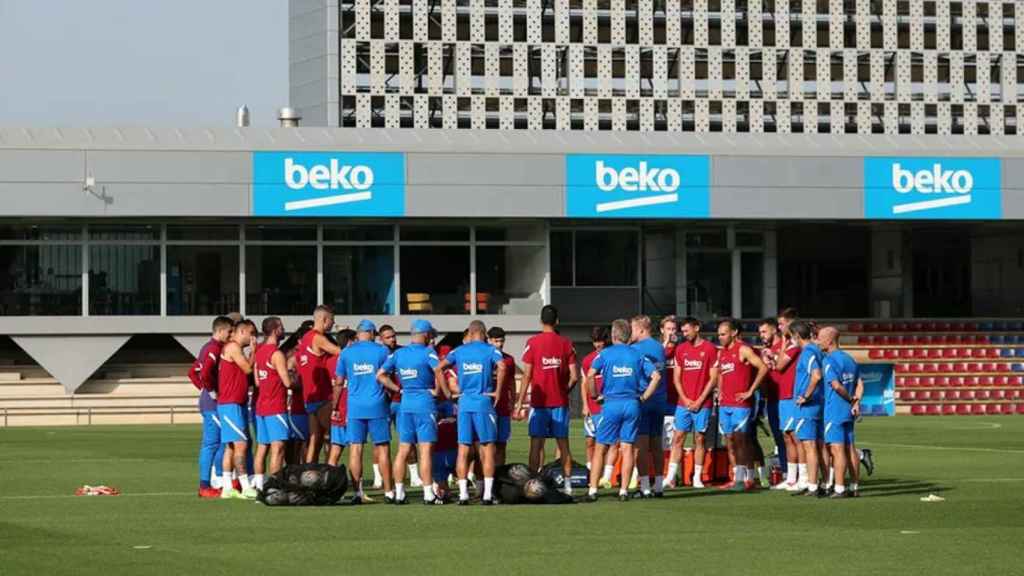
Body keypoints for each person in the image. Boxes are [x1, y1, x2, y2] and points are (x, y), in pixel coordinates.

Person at [583, 319, 660, 503]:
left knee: (601, 447)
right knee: (627, 448)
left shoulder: (605, 354)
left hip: (612, 405)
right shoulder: (638, 354)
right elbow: (656, 376)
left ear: (613, 335)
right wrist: (644, 397)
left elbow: (591, 374)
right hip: (632, 404)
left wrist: (594, 394)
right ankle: (624, 491)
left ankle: (593, 489)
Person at [435, 320, 506, 505]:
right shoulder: (490, 350)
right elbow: (503, 366)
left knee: (463, 449)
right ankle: (488, 495)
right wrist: (498, 391)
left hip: (464, 403)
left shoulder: (459, 351)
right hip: (483, 402)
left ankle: (463, 494)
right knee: (488, 448)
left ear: (471, 333)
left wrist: (448, 392)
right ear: (483, 333)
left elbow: (438, 368)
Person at [515, 305, 578, 495]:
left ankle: (532, 485)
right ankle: (568, 486)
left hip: (539, 403)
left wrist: (519, 402)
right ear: (557, 321)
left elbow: (526, 374)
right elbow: (574, 376)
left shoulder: (532, 342)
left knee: (536, 443)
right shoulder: (566, 343)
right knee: (563, 444)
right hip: (559, 402)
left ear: (541, 321)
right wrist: (563, 391)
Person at [379, 319, 443, 505]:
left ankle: (399, 492)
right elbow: (439, 371)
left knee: (402, 450)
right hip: (424, 404)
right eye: (430, 334)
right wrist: (439, 392)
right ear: (425, 334)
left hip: (405, 405)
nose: (431, 337)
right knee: (425, 450)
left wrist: (397, 389)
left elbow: (380, 375)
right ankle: (428, 493)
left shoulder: (398, 354)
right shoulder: (428, 353)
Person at [337, 320, 393, 504]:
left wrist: (335, 406)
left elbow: (338, 382)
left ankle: (358, 492)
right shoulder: (382, 351)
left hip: (355, 406)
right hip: (377, 405)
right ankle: (388, 491)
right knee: (383, 448)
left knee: (355, 448)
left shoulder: (346, 353)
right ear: (370, 333)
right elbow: (388, 375)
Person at [714, 318, 769, 492]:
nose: (720, 337)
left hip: (741, 403)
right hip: (725, 404)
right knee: (729, 440)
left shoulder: (743, 349)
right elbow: (721, 374)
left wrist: (751, 390)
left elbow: (763, 368)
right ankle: (737, 477)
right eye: (719, 335)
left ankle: (746, 479)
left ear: (734, 332)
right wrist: (720, 392)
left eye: (723, 334)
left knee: (741, 440)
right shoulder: (722, 352)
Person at [666, 316, 718, 489]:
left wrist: (700, 400)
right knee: (678, 438)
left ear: (697, 328)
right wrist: (686, 399)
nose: (684, 334)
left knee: (699, 439)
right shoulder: (680, 349)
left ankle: (697, 477)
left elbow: (713, 379)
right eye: (683, 331)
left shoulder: (710, 349)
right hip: (683, 403)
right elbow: (676, 378)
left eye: (687, 330)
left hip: (703, 403)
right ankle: (670, 476)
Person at [191, 315, 233, 498]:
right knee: (214, 444)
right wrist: (211, 390)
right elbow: (205, 371)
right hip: (213, 404)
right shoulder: (214, 349)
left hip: (211, 401)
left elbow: (192, 372)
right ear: (221, 330)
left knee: (220, 443)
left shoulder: (207, 347)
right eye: (229, 331)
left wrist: (204, 389)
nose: (231, 335)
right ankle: (206, 484)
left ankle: (213, 482)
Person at [818, 326, 863, 498]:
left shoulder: (829, 361)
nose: (818, 341)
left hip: (835, 409)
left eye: (821, 338)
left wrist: (850, 399)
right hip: (848, 412)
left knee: (837, 450)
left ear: (829, 341)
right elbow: (860, 383)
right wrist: (856, 401)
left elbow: (836, 385)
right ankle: (854, 486)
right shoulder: (850, 359)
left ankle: (839, 488)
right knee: (850, 448)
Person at [758, 318, 802, 490]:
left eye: (764, 332)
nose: (761, 335)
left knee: (795, 437)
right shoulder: (765, 350)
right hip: (773, 399)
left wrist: (772, 357)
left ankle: (801, 476)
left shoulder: (788, 347)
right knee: (780, 438)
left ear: (774, 330)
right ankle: (787, 474)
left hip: (788, 397)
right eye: (760, 332)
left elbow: (781, 366)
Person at [252, 317, 295, 491]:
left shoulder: (259, 352)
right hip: (275, 407)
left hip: (261, 406)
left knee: (262, 448)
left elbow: (256, 381)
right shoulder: (276, 354)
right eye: (282, 327)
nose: (284, 330)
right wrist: (296, 376)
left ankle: (260, 488)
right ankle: (274, 488)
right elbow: (287, 383)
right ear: (276, 330)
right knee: (278, 448)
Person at [218, 319, 258, 500]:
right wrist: (255, 351)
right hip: (231, 404)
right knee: (241, 444)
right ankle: (245, 486)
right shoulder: (233, 347)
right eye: (251, 333)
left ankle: (227, 487)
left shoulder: (234, 348)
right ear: (242, 332)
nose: (253, 338)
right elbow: (248, 368)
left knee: (231, 447)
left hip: (233, 403)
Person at [628, 315, 667, 498]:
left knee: (640, 445)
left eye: (633, 329)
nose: (630, 332)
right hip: (660, 401)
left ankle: (644, 486)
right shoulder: (659, 347)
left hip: (643, 399)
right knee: (657, 444)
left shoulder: (635, 349)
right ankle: (658, 485)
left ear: (641, 330)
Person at [298, 306, 341, 463]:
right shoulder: (318, 338)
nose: (333, 324)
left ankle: (309, 473)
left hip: (309, 397)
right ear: (324, 320)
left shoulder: (305, 338)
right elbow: (341, 353)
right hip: (323, 396)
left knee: (315, 438)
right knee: (334, 437)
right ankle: (329, 471)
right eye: (332, 320)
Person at [791, 320, 826, 497]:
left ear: (797, 336)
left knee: (810, 446)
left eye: (791, 337)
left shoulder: (808, 352)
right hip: (816, 405)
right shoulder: (814, 351)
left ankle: (813, 485)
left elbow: (817, 376)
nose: (791, 341)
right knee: (817, 446)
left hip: (808, 406)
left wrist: (806, 395)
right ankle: (823, 483)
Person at [581, 326, 617, 488]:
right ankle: (590, 473)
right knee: (590, 441)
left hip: (609, 406)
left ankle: (606, 476)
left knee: (610, 442)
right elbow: (584, 383)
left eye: (600, 341)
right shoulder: (588, 360)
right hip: (592, 407)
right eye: (595, 341)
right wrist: (584, 405)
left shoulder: (612, 357)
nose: (597, 345)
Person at [378, 324, 410, 488]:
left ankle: (414, 473)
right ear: (380, 339)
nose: (392, 339)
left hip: (402, 401)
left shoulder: (402, 351)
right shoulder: (377, 354)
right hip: (383, 402)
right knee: (381, 441)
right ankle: (379, 477)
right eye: (388, 337)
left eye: (393, 336)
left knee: (406, 438)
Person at [487, 326, 519, 467]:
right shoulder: (483, 358)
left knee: (502, 443)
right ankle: (482, 476)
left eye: (502, 341)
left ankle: (499, 474)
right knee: (485, 444)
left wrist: (513, 401)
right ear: (488, 340)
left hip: (503, 407)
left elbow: (511, 381)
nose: (499, 344)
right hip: (486, 407)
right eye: (496, 341)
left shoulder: (509, 360)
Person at [326, 329, 356, 468]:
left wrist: (333, 407)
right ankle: (359, 489)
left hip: (336, 410)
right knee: (355, 449)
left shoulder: (329, 361)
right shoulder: (353, 360)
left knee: (335, 449)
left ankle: (328, 483)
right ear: (350, 341)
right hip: (352, 409)